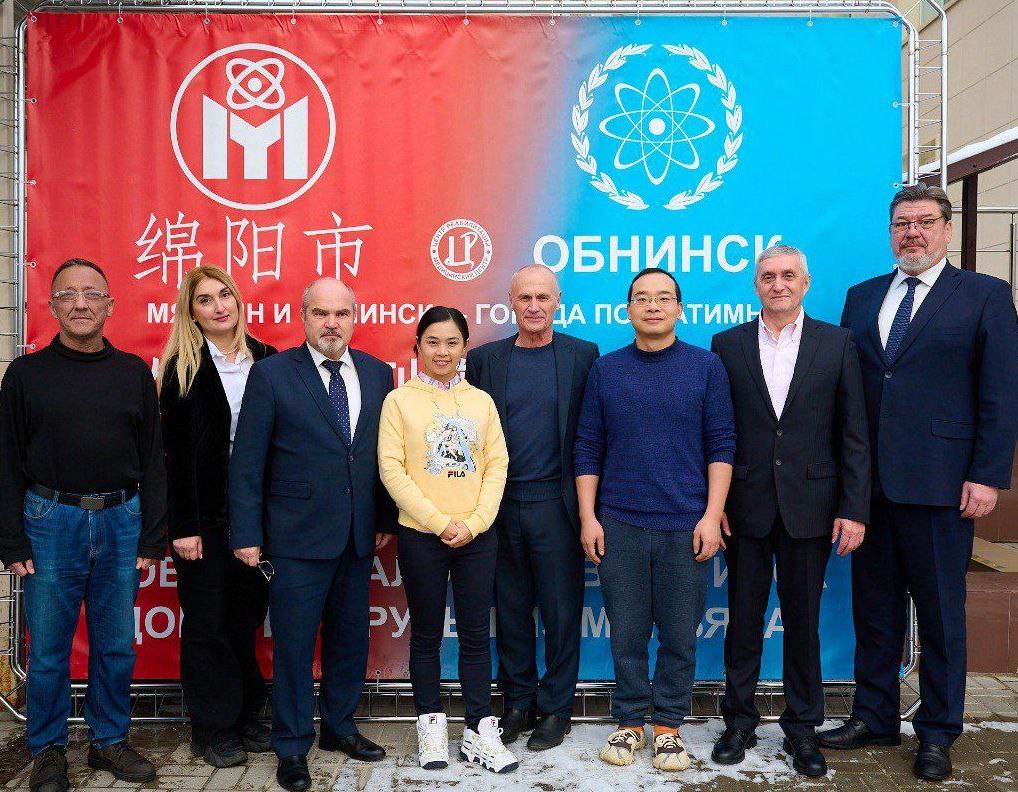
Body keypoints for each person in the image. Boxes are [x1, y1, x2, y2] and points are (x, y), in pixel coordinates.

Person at [818, 184, 1018, 782]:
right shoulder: (862, 297)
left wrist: (987, 474)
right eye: (902, 223)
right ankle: (875, 716)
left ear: (947, 230)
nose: (913, 232)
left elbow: (1001, 393)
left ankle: (937, 731)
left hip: (942, 486)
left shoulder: (985, 296)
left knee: (939, 616)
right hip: (870, 490)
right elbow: (849, 394)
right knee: (875, 612)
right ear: (890, 232)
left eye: (925, 222)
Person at [0, 258, 166, 792]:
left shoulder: (133, 373)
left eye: (91, 294)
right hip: (50, 521)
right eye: (67, 295)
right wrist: (10, 540)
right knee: (49, 650)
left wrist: (152, 534)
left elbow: (153, 457)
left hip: (122, 520)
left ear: (109, 306)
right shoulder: (25, 375)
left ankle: (109, 740)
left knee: (115, 645)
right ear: (51, 306)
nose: (80, 304)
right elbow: (6, 460)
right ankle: (48, 750)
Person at [228, 278, 396, 792]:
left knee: (350, 639)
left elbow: (380, 454)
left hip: (356, 537)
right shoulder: (272, 374)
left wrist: (384, 518)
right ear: (303, 317)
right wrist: (246, 532)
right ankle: (293, 745)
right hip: (294, 539)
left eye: (341, 313)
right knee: (295, 647)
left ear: (354, 318)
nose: (332, 323)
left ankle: (339, 727)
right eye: (321, 313)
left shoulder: (378, 372)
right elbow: (248, 460)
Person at [709, 245, 870, 778]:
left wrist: (854, 508)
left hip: (812, 507)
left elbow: (853, 432)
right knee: (743, 621)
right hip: (745, 507)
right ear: (756, 285)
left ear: (805, 283)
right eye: (768, 276)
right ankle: (739, 721)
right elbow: (718, 431)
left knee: (803, 623)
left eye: (788, 276)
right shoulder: (727, 344)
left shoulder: (837, 342)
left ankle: (802, 728)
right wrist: (717, 503)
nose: (778, 284)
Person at [574, 267, 735, 773]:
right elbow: (588, 446)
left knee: (679, 635)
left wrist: (711, 515)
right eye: (642, 298)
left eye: (664, 298)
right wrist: (588, 517)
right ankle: (629, 720)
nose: (653, 306)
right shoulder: (606, 369)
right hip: (619, 523)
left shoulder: (706, 367)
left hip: (685, 525)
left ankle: (667, 725)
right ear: (628, 310)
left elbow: (722, 444)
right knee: (626, 633)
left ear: (680, 309)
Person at [378, 306, 518, 775]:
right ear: (418, 346)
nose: (442, 351)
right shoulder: (399, 401)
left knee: (476, 634)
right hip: (422, 535)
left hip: (477, 536)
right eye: (433, 342)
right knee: (426, 634)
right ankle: (431, 725)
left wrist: (475, 523)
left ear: (465, 348)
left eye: (452, 342)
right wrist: (440, 522)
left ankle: (479, 730)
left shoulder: (481, 402)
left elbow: (496, 465)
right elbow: (392, 470)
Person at [465, 264, 599, 750]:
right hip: (499, 507)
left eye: (543, 297)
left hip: (557, 507)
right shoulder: (484, 360)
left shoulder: (583, 356)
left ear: (558, 301)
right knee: (512, 611)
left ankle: (557, 708)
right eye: (525, 298)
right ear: (511, 302)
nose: (535, 306)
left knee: (562, 614)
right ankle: (518, 703)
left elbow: (592, 435)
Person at [158, 266, 277, 768]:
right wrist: (183, 525)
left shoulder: (268, 358)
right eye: (205, 300)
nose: (218, 306)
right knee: (207, 623)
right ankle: (213, 729)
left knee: (245, 620)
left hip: (256, 515)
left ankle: (247, 716)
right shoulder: (181, 368)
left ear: (238, 300)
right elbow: (174, 455)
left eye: (224, 295)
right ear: (192, 312)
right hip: (202, 520)